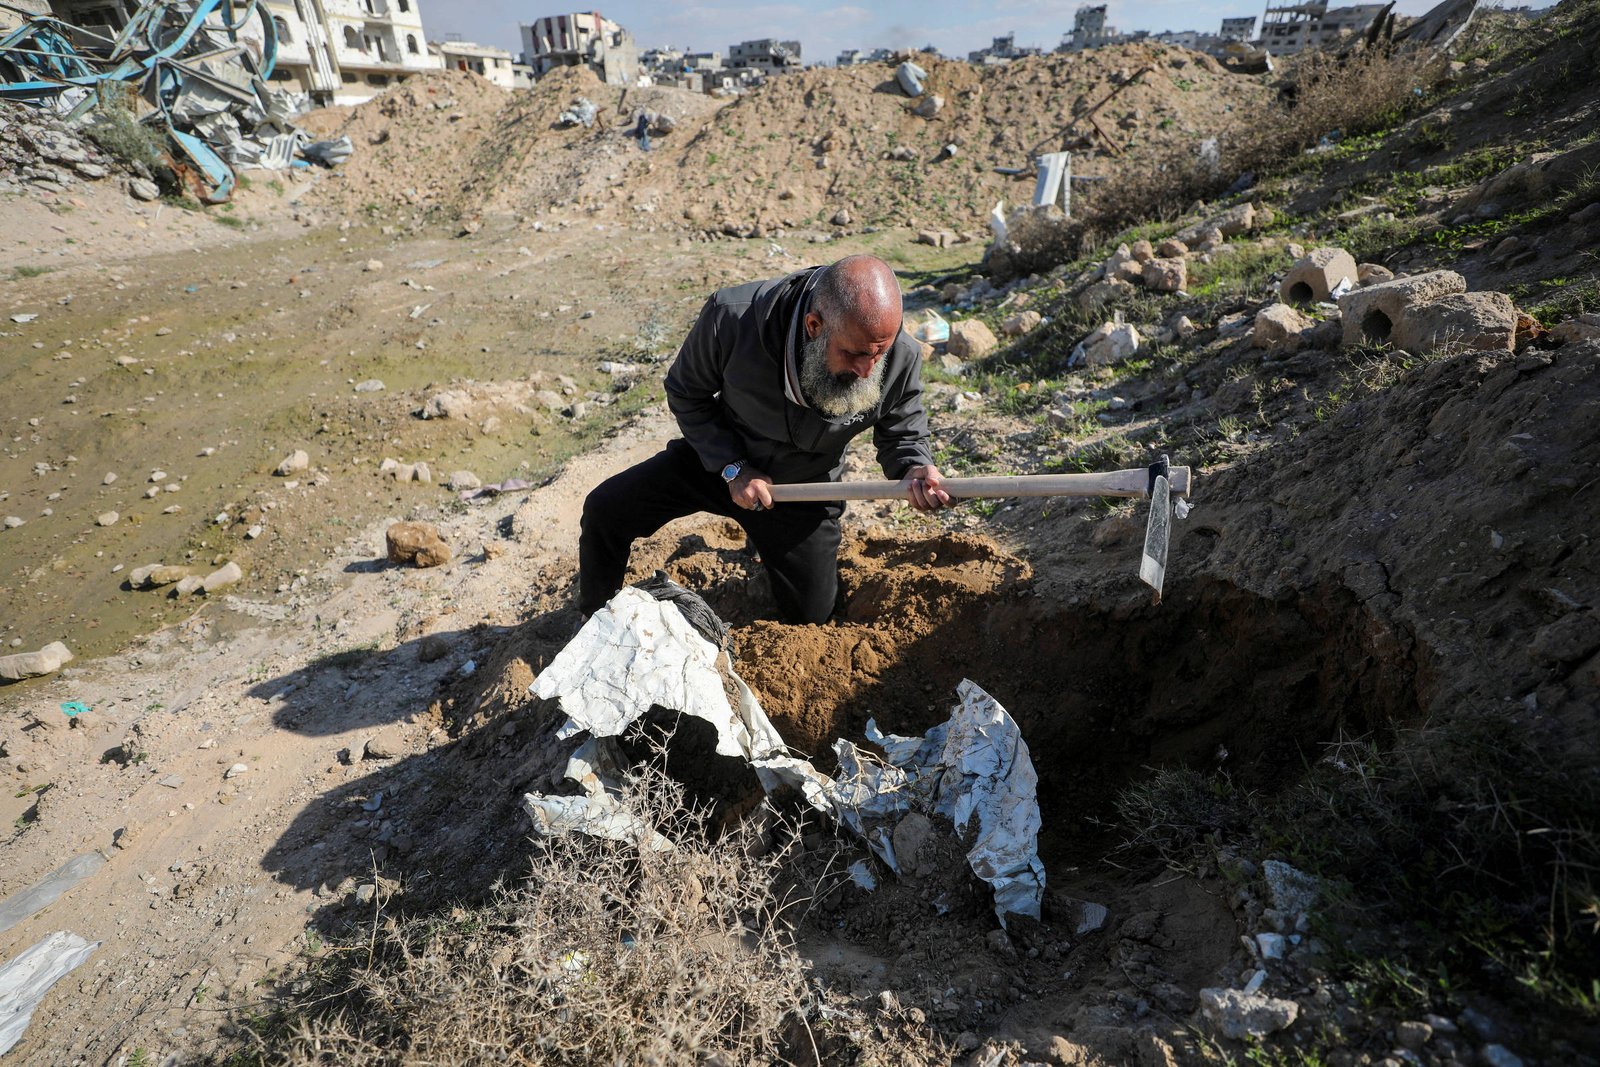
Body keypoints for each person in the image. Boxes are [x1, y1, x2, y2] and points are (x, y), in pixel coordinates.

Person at [578, 254, 950, 624]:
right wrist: (732, 467)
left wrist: (915, 466)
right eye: (854, 354)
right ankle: (593, 621)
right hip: (719, 460)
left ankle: (771, 548)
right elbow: (685, 391)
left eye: (878, 353)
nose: (868, 369)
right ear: (814, 325)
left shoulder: (897, 354)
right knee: (605, 510)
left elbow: (903, 430)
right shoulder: (734, 318)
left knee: (811, 616)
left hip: (803, 488)